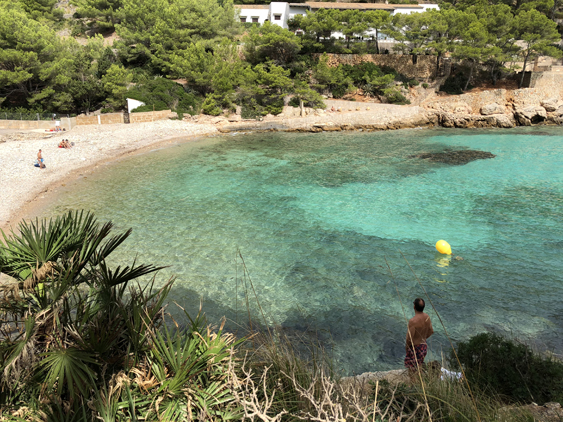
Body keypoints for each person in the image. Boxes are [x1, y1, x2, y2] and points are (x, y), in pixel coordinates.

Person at [405, 298, 433, 373]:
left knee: (412, 371)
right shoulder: (427, 317)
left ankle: (414, 384)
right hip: (424, 346)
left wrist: (407, 348)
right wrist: (422, 339)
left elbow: (409, 339)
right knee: (419, 366)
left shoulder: (413, 321)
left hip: (415, 348)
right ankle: (420, 383)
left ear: (414, 307)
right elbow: (431, 331)